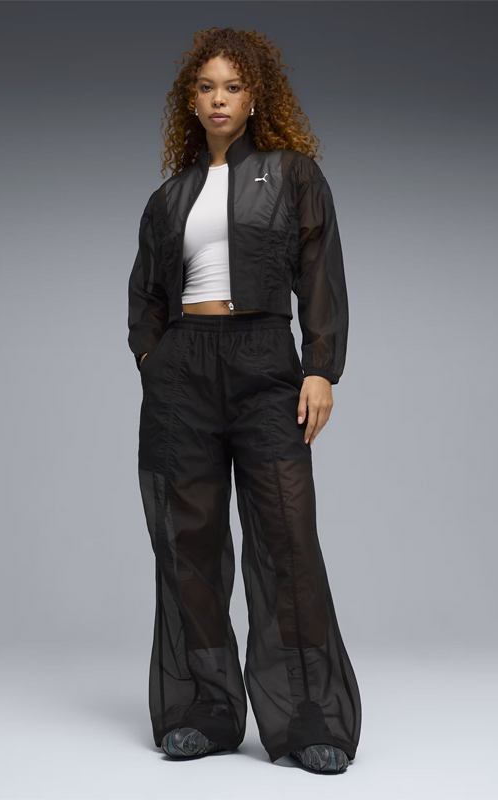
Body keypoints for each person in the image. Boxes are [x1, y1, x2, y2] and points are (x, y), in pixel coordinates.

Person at [127, 27, 361, 774]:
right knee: (188, 545)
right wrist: (155, 361)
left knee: (287, 541)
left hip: (265, 361)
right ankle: (204, 709)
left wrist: (321, 368)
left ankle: (308, 717)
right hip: (184, 372)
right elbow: (146, 296)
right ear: (190, 102)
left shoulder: (293, 175)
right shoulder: (171, 196)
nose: (219, 99)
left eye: (232, 86)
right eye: (206, 88)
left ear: (256, 97)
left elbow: (320, 271)